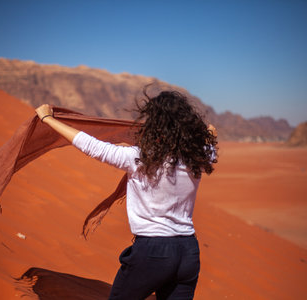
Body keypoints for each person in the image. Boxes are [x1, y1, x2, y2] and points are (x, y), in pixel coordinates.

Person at [35, 90, 218, 300]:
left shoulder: (138, 159)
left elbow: (92, 146)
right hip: (188, 252)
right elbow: (211, 136)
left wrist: (47, 119)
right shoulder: (198, 156)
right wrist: (204, 132)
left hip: (153, 251)